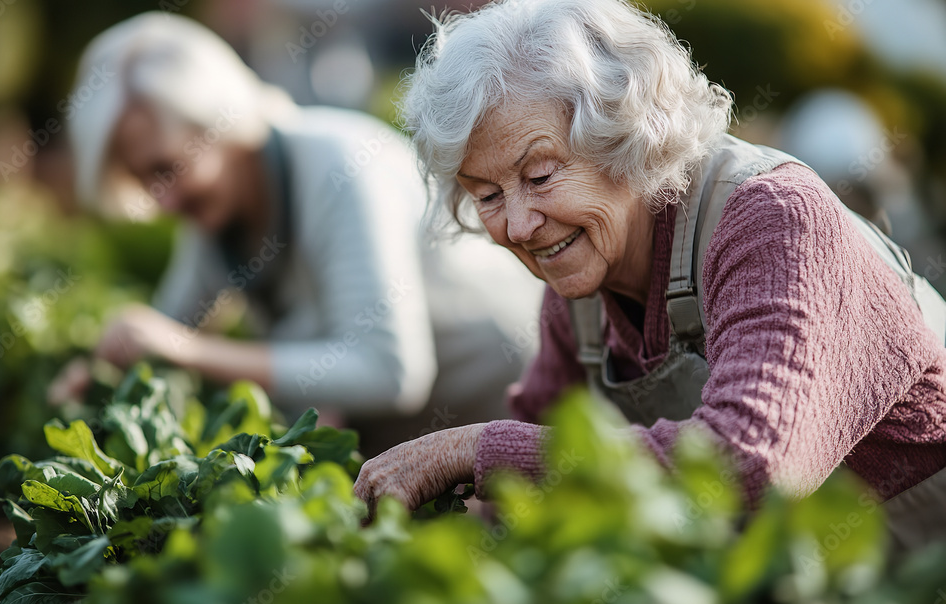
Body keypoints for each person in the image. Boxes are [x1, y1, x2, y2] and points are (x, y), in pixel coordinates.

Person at [353, 0, 946, 551]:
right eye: (486, 194)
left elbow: (751, 462)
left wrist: (478, 449)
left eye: (539, 177)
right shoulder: (578, 290)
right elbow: (525, 482)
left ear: (624, 140)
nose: (518, 224)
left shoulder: (771, 220)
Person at [50, 12, 543, 453]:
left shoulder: (341, 170)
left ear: (219, 124)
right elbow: (168, 326)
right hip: (409, 442)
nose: (164, 200)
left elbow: (391, 372)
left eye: (169, 169)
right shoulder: (216, 209)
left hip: (504, 408)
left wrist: (188, 351)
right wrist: (100, 374)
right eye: (144, 179)